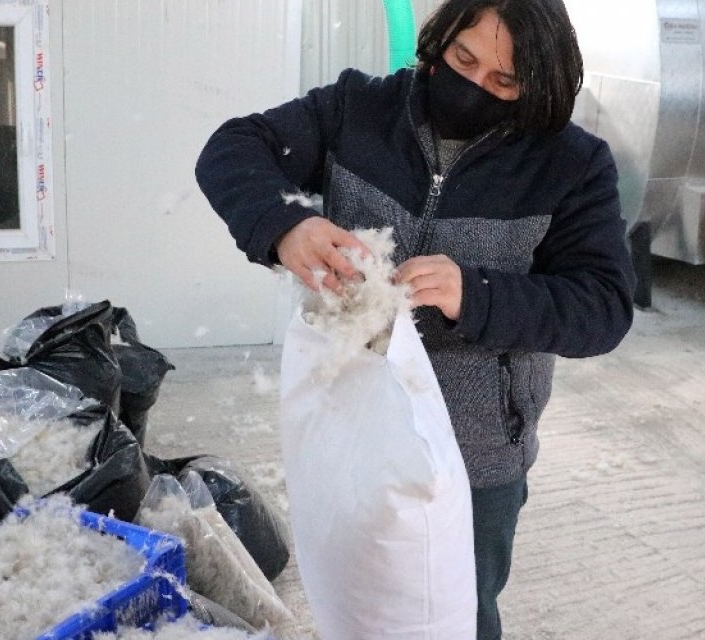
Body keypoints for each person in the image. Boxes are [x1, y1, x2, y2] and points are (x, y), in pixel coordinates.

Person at [196, 0, 634, 637]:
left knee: (455, 613)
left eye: (504, 81)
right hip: (348, 423)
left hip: (474, 453)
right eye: (463, 60)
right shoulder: (358, 111)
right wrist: (283, 224)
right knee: (356, 598)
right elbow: (233, 148)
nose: (475, 86)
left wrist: (476, 295)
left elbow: (603, 307)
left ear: (539, 82)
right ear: (441, 39)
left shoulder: (571, 164)